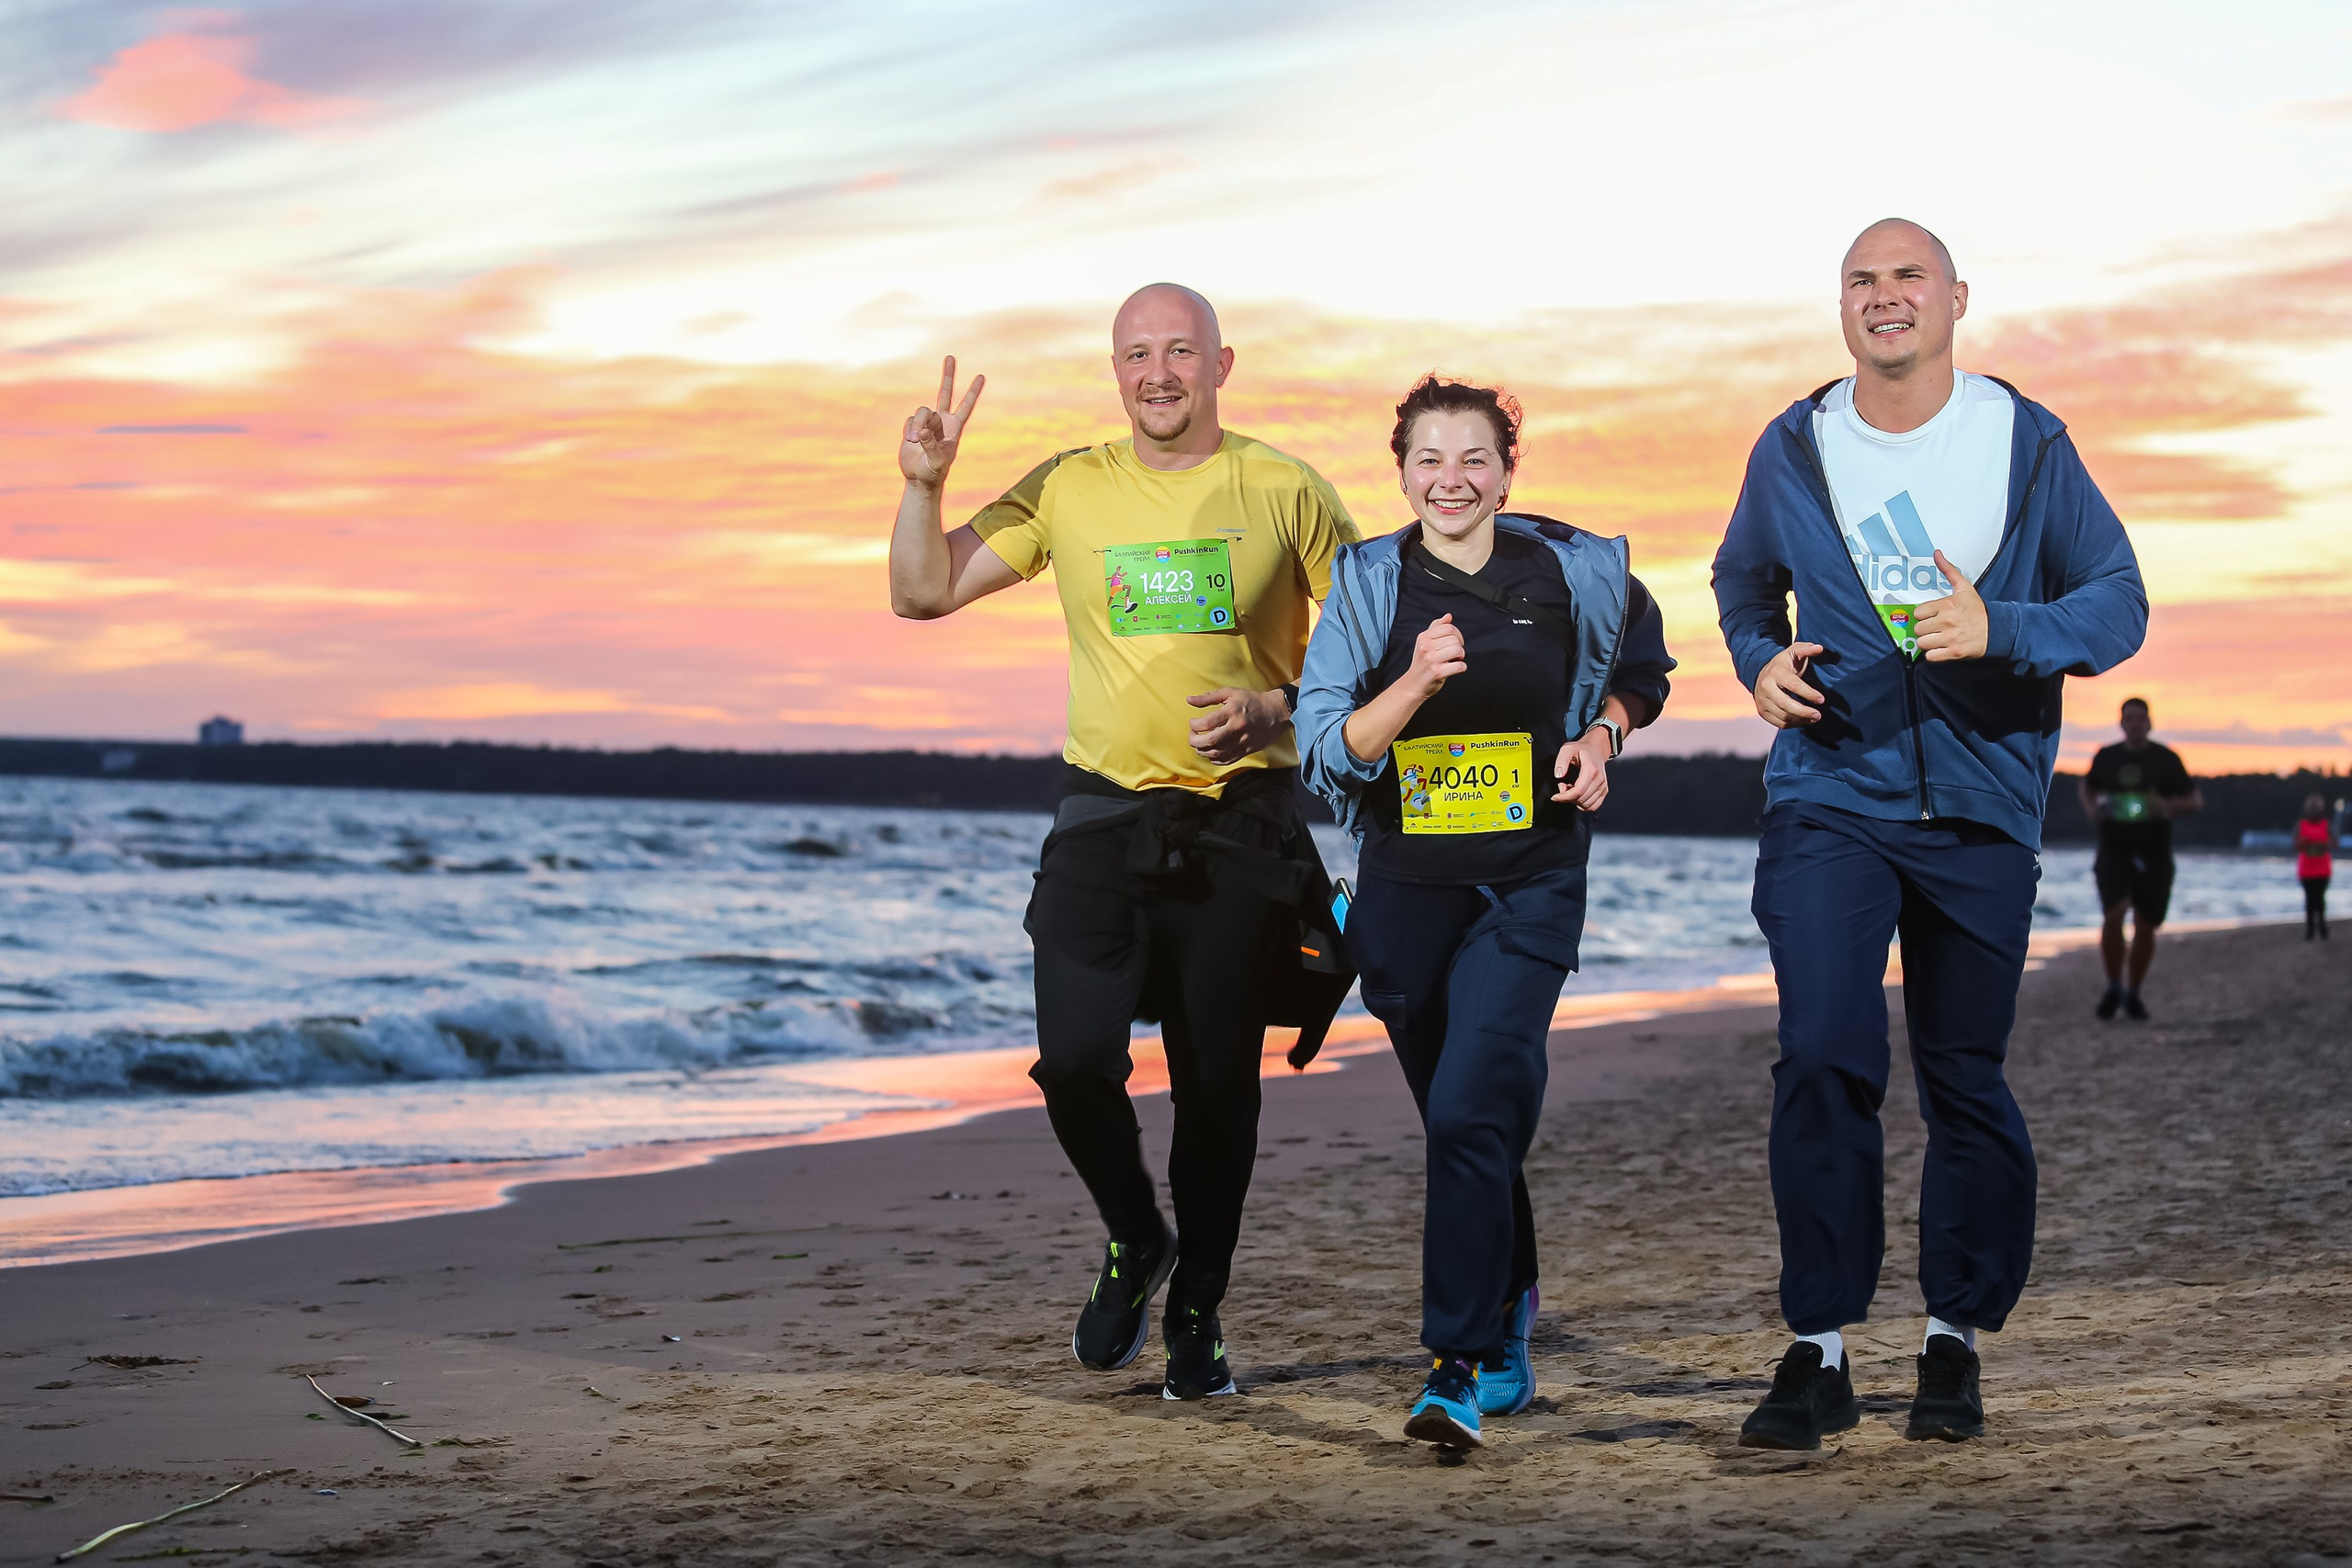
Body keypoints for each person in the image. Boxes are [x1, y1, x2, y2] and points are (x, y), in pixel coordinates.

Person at [1712, 219, 2147, 1450]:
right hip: (1829, 796)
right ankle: (1820, 1347)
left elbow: (2119, 600)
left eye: (1910, 278)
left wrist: (2001, 626)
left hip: (1980, 809)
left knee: (1964, 1073)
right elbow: (1740, 577)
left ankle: (1953, 1338)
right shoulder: (1794, 443)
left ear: (1957, 298)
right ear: (1840, 304)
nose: (1886, 297)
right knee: (1823, 1054)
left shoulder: (2025, 437)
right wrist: (1757, 662)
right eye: (1863, 279)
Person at [888, 284, 1360, 1401]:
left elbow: (1366, 657)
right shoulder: (1070, 484)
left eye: (1180, 352)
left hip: (1242, 828)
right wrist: (924, 486)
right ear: (1115, 370)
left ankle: (1196, 1307)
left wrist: (1275, 707)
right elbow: (920, 592)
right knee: (1075, 1061)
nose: (1158, 373)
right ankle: (1133, 1236)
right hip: (1102, 819)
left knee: (1216, 1092)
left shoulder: (1285, 489)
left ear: (1220, 364)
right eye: (1137, 354)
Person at [1295, 377, 1673, 1448]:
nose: (1450, 480)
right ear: (1400, 468)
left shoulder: (1574, 569)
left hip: (1530, 880)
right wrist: (1411, 684)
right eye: (1428, 460)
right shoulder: (1369, 582)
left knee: (1470, 1111)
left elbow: (1643, 670)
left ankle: (1453, 1367)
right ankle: (1509, 1299)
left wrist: (1600, 739)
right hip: (1406, 893)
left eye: (1473, 460)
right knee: (1466, 1122)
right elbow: (1326, 754)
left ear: (1509, 469)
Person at [2079, 697, 2200, 1019]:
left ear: (2149, 723)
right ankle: (2113, 985)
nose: (2135, 724)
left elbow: (2194, 800)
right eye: (2129, 718)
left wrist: (2165, 806)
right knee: (2114, 913)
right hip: (2114, 848)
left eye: (2140, 718)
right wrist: (2093, 810)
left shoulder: (2167, 759)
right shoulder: (2106, 757)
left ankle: (2133, 990)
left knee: (2146, 924)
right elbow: (2086, 788)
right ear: (2121, 723)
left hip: (2155, 852)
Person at [2296, 794, 2335, 941]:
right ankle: (2311, 928)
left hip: (2323, 869)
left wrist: (2326, 845)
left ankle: (2322, 924)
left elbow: (2334, 843)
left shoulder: (2327, 824)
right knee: (2309, 899)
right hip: (2306, 870)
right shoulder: (2301, 825)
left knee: (2320, 898)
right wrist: (2303, 843)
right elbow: (2296, 845)